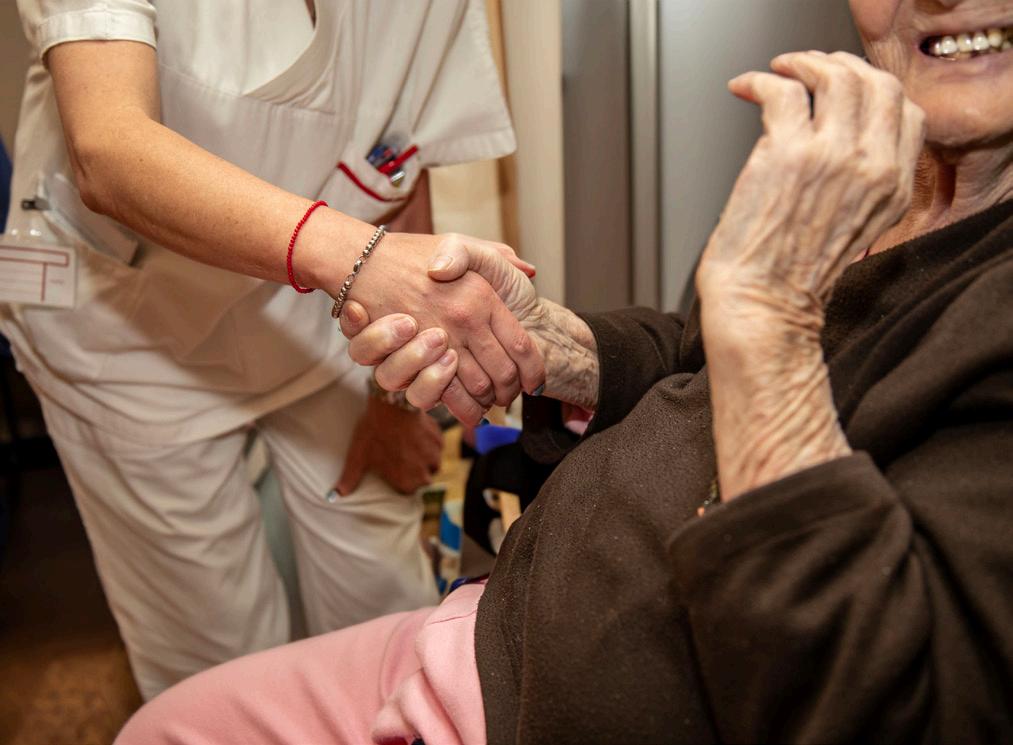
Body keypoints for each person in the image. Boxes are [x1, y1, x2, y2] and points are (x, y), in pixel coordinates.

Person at [115, 0, 1013, 742]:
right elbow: (698, 361)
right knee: (169, 722)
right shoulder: (856, 174)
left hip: (539, 708)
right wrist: (549, 342)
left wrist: (766, 309)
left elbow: (879, 703)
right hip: (497, 630)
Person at [2, 0, 544, 700]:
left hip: (321, 316)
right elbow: (108, 149)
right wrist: (361, 258)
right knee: (217, 657)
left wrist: (392, 400)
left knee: (386, 610)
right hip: (126, 331)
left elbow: (397, 162)